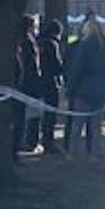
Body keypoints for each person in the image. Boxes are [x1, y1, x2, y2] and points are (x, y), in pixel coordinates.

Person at [62, 16, 105, 157]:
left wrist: (70, 90)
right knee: (96, 125)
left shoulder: (84, 46)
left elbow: (77, 69)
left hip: (84, 90)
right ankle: (95, 152)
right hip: (101, 90)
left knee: (77, 125)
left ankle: (73, 152)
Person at [15, 14, 45, 153]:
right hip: (29, 84)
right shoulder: (27, 42)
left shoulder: (23, 40)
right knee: (29, 116)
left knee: (24, 116)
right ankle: (28, 142)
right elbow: (30, 65)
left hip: (26, 84)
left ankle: (25, 142)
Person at [37, 18, 68, 153]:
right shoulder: (52, 44)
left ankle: (35, 139)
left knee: (39, 114)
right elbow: (56, 65)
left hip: (39, 82)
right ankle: (48, 141)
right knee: (50, 114)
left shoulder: (39, 42)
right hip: (50, 83)